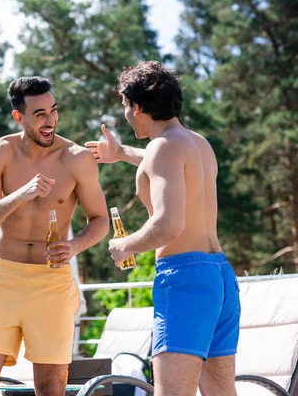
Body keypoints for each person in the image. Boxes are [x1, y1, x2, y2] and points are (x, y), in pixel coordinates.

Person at [85, 61, 240, 396]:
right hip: (219, 277)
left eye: (125, 107)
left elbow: (169, 225)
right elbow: (166, 163)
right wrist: (121, 153)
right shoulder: (197, 143)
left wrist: (125, 246)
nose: (125, 115)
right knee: (219, 391)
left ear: (137, 107)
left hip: (184, 278)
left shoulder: (163, 148)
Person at [0, 76, 109, 396]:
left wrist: (75, 245)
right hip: (3, 275)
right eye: (40, 114)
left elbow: (100, 220)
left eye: (53, 111)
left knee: (51, 386)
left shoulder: (76, 158)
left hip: (52, 280)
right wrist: (19, 195)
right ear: (19, 117)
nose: (51, 120)